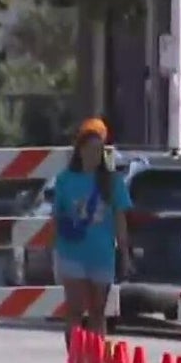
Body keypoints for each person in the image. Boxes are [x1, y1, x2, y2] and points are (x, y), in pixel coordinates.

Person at [52, 118, 132, 345]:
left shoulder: (112, 182)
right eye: (89, 150)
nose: (94, 155)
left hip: (101, 254)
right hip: (72, 252)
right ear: (80, 151)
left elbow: (120, 219)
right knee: (75, 310)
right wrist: (55, 249)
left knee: (98, 312)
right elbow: (57, 216)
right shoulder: (65, 180)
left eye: (99, 150)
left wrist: (124, 254)